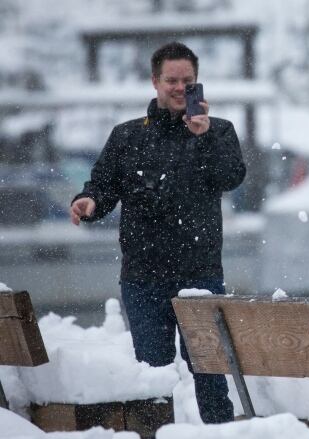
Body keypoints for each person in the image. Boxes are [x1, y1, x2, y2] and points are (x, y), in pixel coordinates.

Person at [69, 42, 245, 423]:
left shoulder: (219, 132)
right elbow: (103, 186)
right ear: (155, 82)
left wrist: (205, 136)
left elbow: (232, 176)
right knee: (150, 380)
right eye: (172, 80)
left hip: (200, 276)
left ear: (198, 83)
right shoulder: (128, 137)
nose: (180, 88)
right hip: (143, 279)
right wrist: (89, 203)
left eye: (188, 80)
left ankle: (220, 434)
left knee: (210, 376)